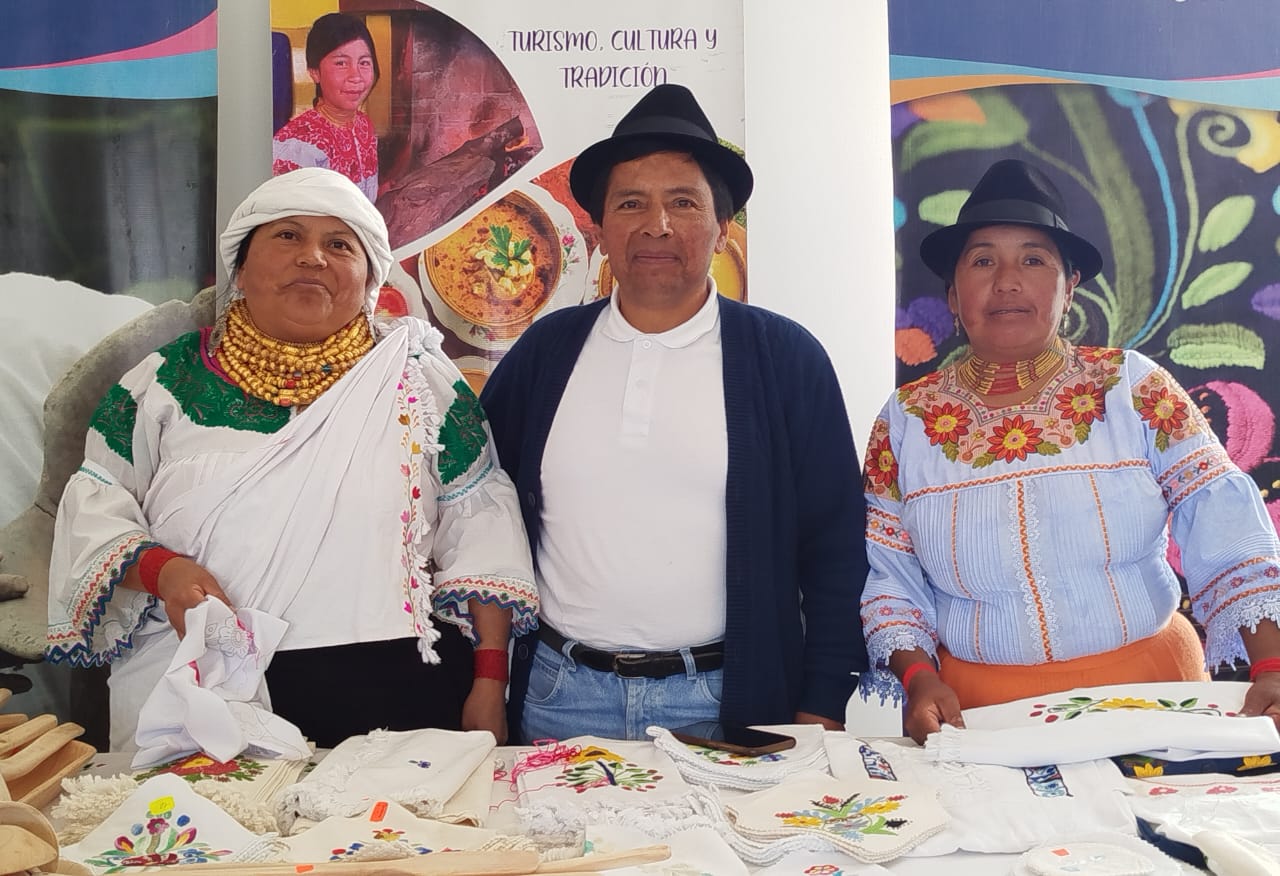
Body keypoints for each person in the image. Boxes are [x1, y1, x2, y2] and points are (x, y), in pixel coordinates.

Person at [47, 168, 537, 751]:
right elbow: (96, 508)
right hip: (205, 679)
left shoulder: (421, 380)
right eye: (287, 236)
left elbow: (481, 528)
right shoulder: (163, 382)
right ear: (240, 269)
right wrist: (164, 572)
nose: (312, 257)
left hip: (396, 687)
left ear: (370, 279)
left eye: (340, 245)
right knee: (208, 813)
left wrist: (490, 682)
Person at [481, 84, 869, 743]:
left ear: (722, 229)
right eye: (630, 203)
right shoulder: (547, 352)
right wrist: (486, 681)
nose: (655, 225)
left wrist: (824, 704)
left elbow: (835, 546)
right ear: (600, 230)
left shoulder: (785, 359)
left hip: (723, 701)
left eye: (683, 202)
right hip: (557, 697)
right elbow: (482, 516)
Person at [860, 158, 1280, 743]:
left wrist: (1272, 666)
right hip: (981, 715)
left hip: (1154, 693)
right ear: (953, 296)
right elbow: (892, 575)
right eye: (982, 261)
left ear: (1069, 287)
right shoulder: (906, 420)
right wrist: (918, 678)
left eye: (1034, 260)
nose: (1007, 280)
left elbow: (1222, 520)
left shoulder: (1132, 388)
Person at [273, 13, 380, 201]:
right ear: (314, 72)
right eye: (341, 63)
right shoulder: (296, 144)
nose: (356, 76)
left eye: (364, 63)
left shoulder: (364, 126)